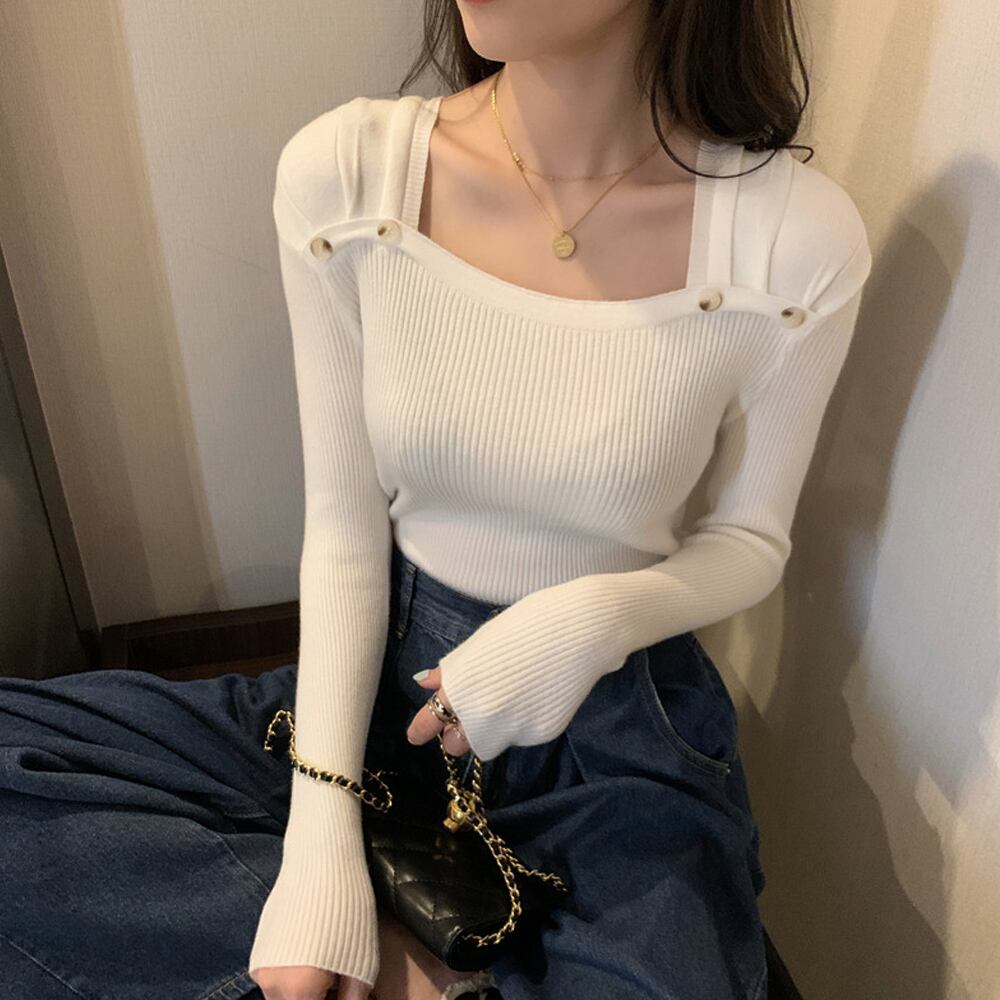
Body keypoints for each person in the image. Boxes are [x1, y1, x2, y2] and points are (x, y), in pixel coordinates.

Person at [0, 2, 872, 999]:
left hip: (617, 724)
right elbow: (343, 528)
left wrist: (588, 621)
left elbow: (749, 541)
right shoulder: (350, 177)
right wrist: (319, 846)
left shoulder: (794, 243)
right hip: (383, 683)